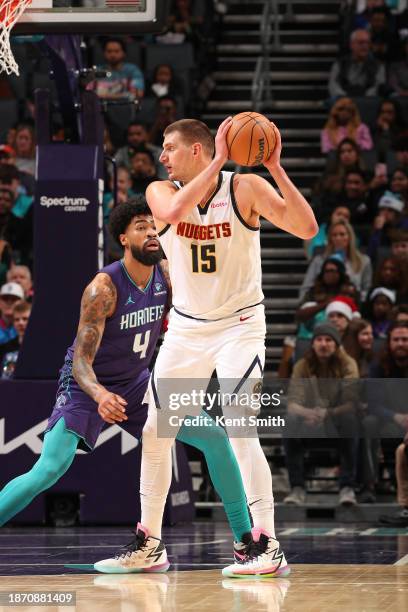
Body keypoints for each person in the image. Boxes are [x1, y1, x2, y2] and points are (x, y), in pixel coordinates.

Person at [95, 117, 318, 577]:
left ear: (194, 150)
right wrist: (219, 158)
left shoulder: (246, 189)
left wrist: (274, 167)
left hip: (240, 327)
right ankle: (150, 544)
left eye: (169, 147)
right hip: (186, 330)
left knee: (239, 426)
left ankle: (267, 545)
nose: (162, 156)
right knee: (158, 429)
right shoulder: (160, 192)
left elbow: (307, 228)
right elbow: (175, 212)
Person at [0, 199, 254, 571]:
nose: (151, 232)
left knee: (214, 436)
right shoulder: (103, 288)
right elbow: (83, 363)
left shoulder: (167, 274)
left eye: (154, 226)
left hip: (138, 384)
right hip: (86, 388)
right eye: (140, 226)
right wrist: (101, 394)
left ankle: (246, 542)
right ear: (123, 237)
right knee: (50, 468)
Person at [283, 323, 359, 506]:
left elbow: (352, 402)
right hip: (309, 423)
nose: (323, 344)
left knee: (351, 420)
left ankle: (347, 488)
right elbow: (292, 403)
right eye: (319, 340)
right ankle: (297, 488)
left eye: (328, 340)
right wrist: (309, 412)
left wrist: (327, 414)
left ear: (337, 344)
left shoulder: (348, 364)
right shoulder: (303, 365)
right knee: (289, 421)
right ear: (313, 344)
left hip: (337, 423)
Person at [299, 219, 372, 301]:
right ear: (330, 239)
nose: (338, 238)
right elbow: (306, 288)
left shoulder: (364, 261)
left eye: (342, 234)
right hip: (323, 304)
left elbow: (367, 290)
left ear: (350, 237)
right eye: (334, 235)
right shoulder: (318, 261)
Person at [328, 29, 385, 98]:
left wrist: (363, 99)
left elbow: (378, 86)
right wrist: (345, 98)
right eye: (361, 42)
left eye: (368, 43)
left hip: (368, 101)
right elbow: (333, 85)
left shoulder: (378, 65)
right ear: (351, 45)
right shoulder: (340, 63)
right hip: (344, 100)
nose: (365, 46)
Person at [0, 299, 31, 378]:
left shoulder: (40, 347)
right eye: (17, 320)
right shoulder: (4, 349)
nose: (20, 323)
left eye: (25, 319)